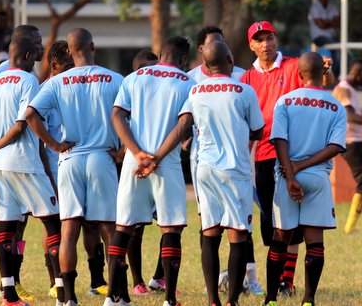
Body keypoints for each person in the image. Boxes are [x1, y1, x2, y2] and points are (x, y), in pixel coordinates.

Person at [26, 28, 123, 306]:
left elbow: (31, 116)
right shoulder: (115, 79)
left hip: (69, 158)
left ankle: (67, 299)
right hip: (101, 157)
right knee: (107, 226)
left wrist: (55, 145)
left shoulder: (57, 82)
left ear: (68, 51)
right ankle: (114, 296)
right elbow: (129, 117)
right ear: (93, 46)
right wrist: (124, 149)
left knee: (69, 228)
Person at [106, 36, 195, 306]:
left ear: (161, 54)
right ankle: (169, 299)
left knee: (123, 226)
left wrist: (136, 153)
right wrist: (156, 157)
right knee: (170, 228)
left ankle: (113, 297)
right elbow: (184, 125)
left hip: (135, 160)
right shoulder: (188, 82)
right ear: (182, 60)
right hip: (165, 161)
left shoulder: (134, 77)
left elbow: (117, 116)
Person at [0, 37, 65, 306]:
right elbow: (24, 122)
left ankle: (9, 296)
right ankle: (63, 293)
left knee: (6, 227)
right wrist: (56, 145)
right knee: (54, 223)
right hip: (24, 162)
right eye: (36, 51)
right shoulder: (28, 81)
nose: (38, 55)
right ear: (27, 55)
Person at [262, 51, 346, 306]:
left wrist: (290, 174)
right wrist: (303, 166)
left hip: (287, 176)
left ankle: (271, 300)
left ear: (298, 75)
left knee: (281, 237)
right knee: (314, 242)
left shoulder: (285, 102)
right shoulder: (336, 106)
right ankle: (308, 300)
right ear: (323, 73)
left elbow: (279, 140)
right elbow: (334, 147)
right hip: (318, 178)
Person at [187, 26, 264, 295]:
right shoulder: (244, 90)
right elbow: (258, 129)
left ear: (206, 65)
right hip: (236, 169)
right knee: (238, 233)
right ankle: (232, 299)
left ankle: (212, 300)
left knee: (209, 232)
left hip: (205, 168)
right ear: (230, 60)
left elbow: (187, 125)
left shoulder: (194, 92)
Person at [240, 21, 308, 297]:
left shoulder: (293, 66)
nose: (265, 44)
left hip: (295, 155)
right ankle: (278, 277)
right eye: (259, 40)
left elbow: (318, 80)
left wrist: (325, 72)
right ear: (251, 45)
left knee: (294, 220)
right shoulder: (246, 79)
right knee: (272, 223)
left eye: (269, 37)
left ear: (276, 40)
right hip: (264, 156)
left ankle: (286, 282)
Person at [0, 24, 45, 303]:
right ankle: (8, 282)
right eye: (37, 42)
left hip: (16, 157)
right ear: (23, 46)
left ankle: (13, 279)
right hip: (14, 159)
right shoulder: (8, 72)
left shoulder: (29, 72)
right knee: (15, 224)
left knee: (20, 223)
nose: (41, 47)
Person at [125, 49, 159, 296]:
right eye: (148, 69)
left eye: (156, 69)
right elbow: (117, 120)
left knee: (170, 223)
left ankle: (161, 277)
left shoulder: (164, 92)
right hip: (136, 163)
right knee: (135, 225)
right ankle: (137, 282)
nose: (153, 75)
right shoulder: (128, 92)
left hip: (162, 164)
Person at [332, 59, 362, 234]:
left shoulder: (349, 89)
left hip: (356, 140)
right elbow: (349, 117)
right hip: (351, 142)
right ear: (358, 74)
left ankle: (351, 226)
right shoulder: (343, 89)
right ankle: (349, 227)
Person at [309, 0, 340, 77]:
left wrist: (326, 22)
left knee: (345, 52)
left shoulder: (332, 7)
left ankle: (337, 75)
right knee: (337, 49)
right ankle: (335, 76)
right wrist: (331, 22)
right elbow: (321, 25)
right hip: (319, 37)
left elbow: (339, 23)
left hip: (332, 37)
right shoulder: (315, 8)